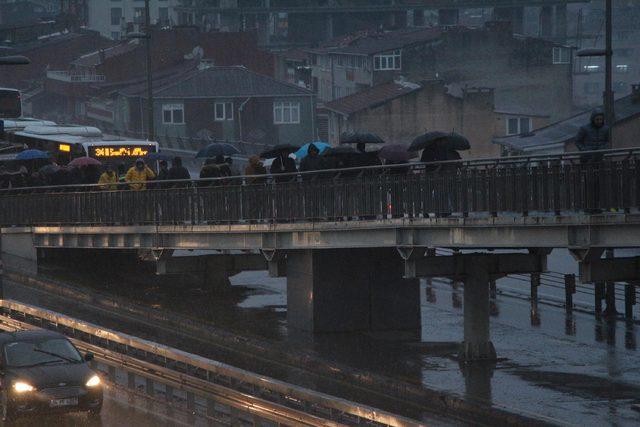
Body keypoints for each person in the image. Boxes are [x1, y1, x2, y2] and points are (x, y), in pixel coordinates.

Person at [575, 108, 609, 213]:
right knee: (588, 183)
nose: (599, 121)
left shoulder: (606, 129)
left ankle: (597, 206)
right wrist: (585, 151)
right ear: (593, 119)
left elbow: (607, 142)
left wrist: (602, 149)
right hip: (587, 160)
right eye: (597, 119)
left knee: (598, 184)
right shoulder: (584, 129)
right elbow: (577, 141)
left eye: (601, 119)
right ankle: (588, 206)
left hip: (599, 159)